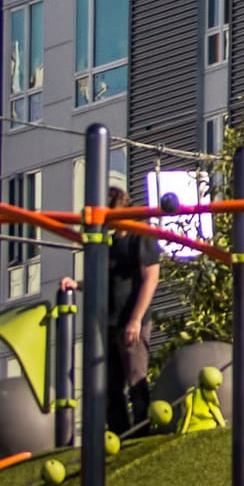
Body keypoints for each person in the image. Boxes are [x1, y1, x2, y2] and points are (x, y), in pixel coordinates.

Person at [102, 187, 160, 436]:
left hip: (132, 319)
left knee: (136, 378)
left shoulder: (140, 236)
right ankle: (121, 433)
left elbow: (151, 278)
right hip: (111, 320)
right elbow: (106, 279)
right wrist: (77, 285)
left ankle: (141, 431)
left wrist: (136, 319)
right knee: (110, 385)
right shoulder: (110, 242)